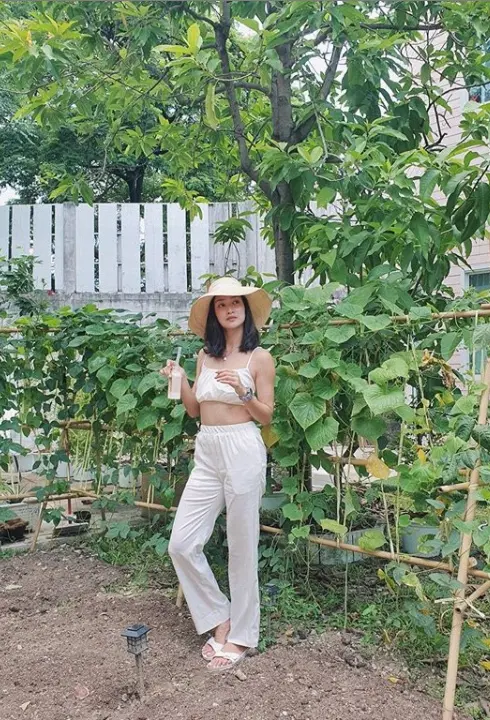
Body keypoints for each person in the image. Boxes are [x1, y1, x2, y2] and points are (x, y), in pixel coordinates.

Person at [160, 276, 275, 672]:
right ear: (213, 313)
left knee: (242, 546)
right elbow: (195, 409)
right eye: (221, 304)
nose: (229, 309)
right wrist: (179, 378)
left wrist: (244, 393)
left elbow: (266, 415)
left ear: (245, 310)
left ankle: (242, 634)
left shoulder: (259, 358)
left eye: (235, 303)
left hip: (242, 446)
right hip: (207, 448)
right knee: (181, 542)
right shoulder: (204, 356)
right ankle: (218, 617)